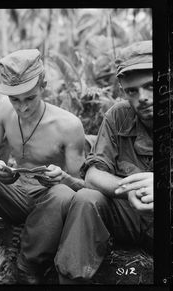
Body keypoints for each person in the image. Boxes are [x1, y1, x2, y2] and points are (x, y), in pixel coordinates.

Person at [0, 49, 86, 283]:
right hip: (16, 195)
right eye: (15, 99)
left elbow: (82, 187)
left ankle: (27, 265)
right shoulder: (4, 110)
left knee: (64, 193)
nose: (22, 108)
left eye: (29, 98)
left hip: (50, 202)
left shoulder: (68, 125)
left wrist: (63, 178)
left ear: (43, 86)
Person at [52, 40, 153, 284]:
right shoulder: (119, 115)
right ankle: (70, 279)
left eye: (151, 86)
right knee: (87, 199)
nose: (144, 98)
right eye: (132, 91)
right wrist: (129, 189)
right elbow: (93, 174)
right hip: (128, 214)